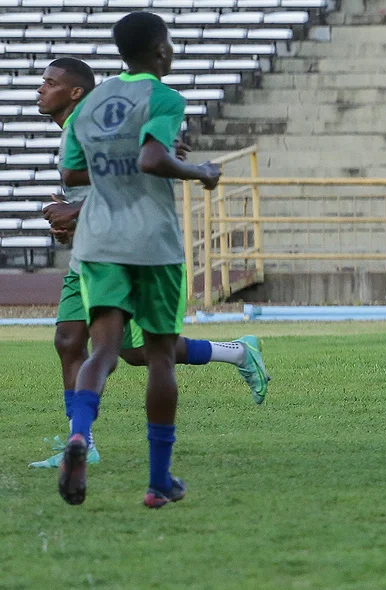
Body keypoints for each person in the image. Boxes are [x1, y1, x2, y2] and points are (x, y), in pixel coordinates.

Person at [32, 57, 271, 470]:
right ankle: (82, 440)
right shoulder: (77, 130)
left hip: (124, 252)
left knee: (138, 353)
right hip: (91, 252)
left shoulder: (91, 124)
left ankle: (238, 352)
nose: (39, 89)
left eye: (49, 82)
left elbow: (137, 177)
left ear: (75, 92)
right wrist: (67, 212)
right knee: (70, 342)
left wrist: (77, 213)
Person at [57, 11, 223, 507]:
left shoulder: (92, 101)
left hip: (99, 241)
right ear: (160, 50)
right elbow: (152, 160)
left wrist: (137, 159)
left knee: (102, 351)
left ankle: (79, 435)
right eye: (168, 43)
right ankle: (158, 481)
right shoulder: (165, 97)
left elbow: (72, 172)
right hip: (152, 243)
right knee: (158, 357)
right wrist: (199, 170)